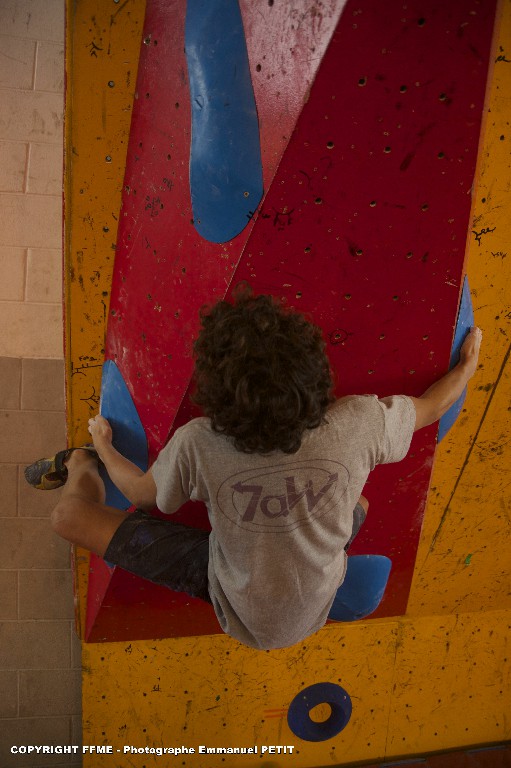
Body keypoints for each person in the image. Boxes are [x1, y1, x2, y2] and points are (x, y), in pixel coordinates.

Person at [25, 286, 482, 650]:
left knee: (68, 517)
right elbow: (429, 408)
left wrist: (103, 447)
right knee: (357, 500)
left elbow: (142, 496)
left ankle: (79, 463)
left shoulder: (199, 442)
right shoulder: (360, 421)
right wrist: (465, 368)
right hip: (313, 605)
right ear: (317, 376)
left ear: (216, 397)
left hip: (234, 601)